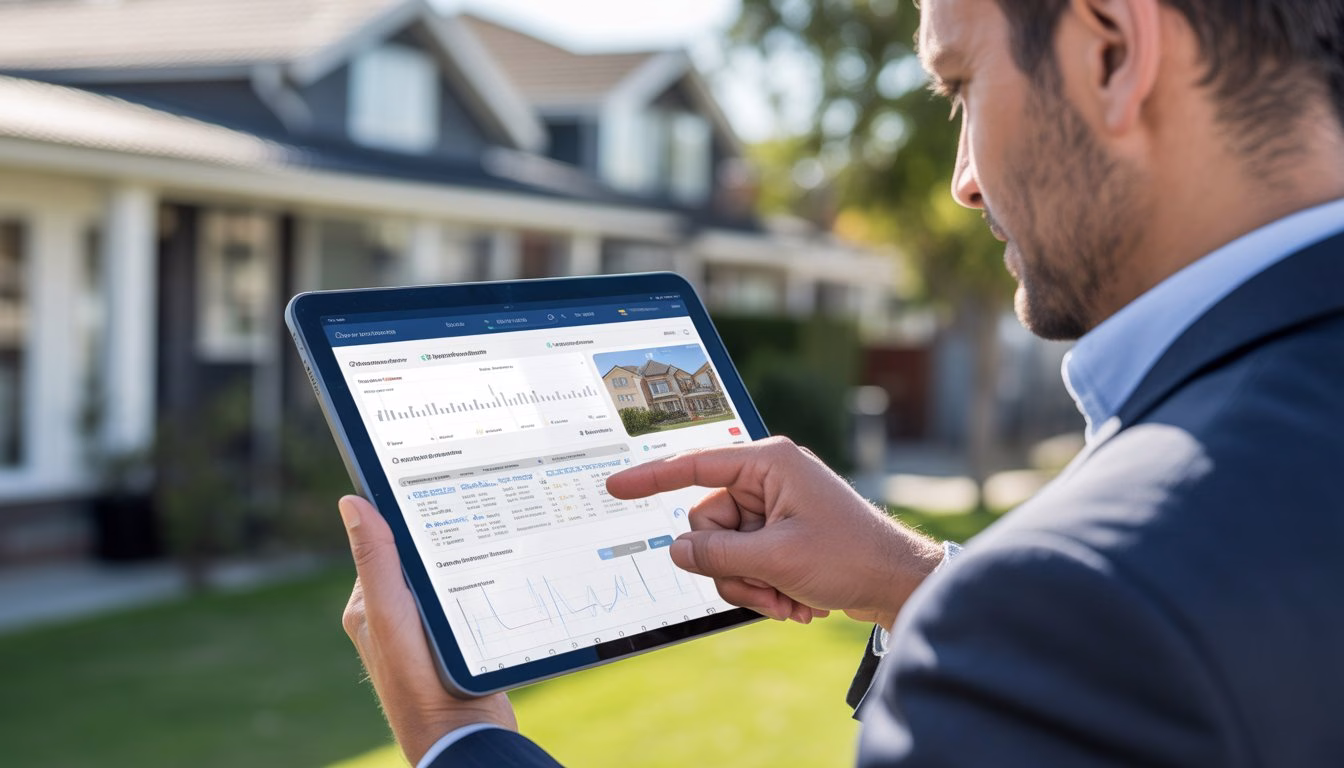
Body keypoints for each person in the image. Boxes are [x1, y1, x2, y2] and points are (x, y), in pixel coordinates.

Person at [336, 0, 1344, 764]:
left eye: (962, 85)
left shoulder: (1078, 605)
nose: (964, 179)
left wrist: (457, 735)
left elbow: (1115, 637)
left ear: (1112, 51)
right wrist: (908, 584)